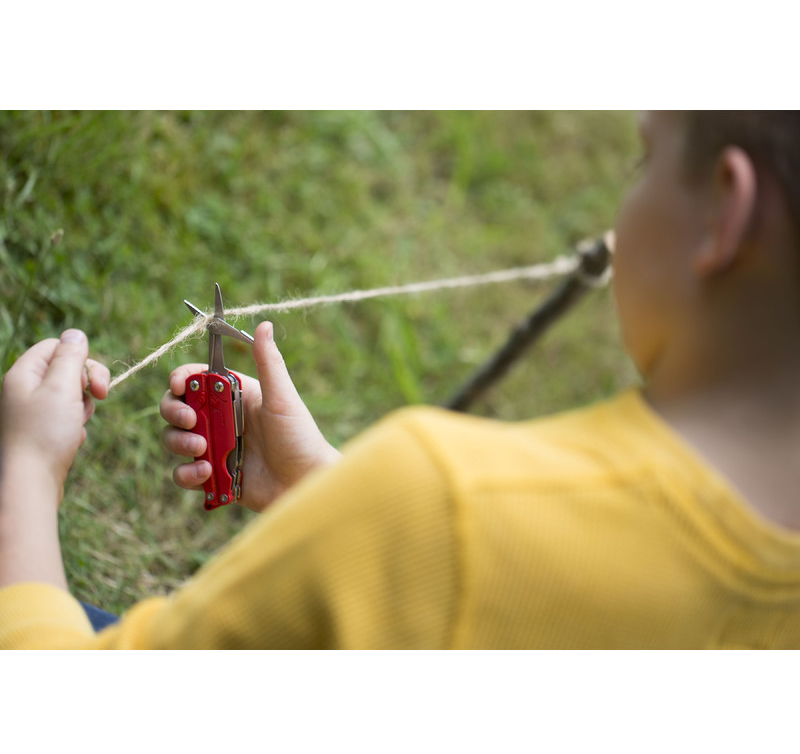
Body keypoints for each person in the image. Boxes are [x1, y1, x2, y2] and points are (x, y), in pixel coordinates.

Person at [3, 110, 800, 648]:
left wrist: (26, 470)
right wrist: (329, 499)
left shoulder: (442, 501)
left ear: (723, 209)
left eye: (645, 159)